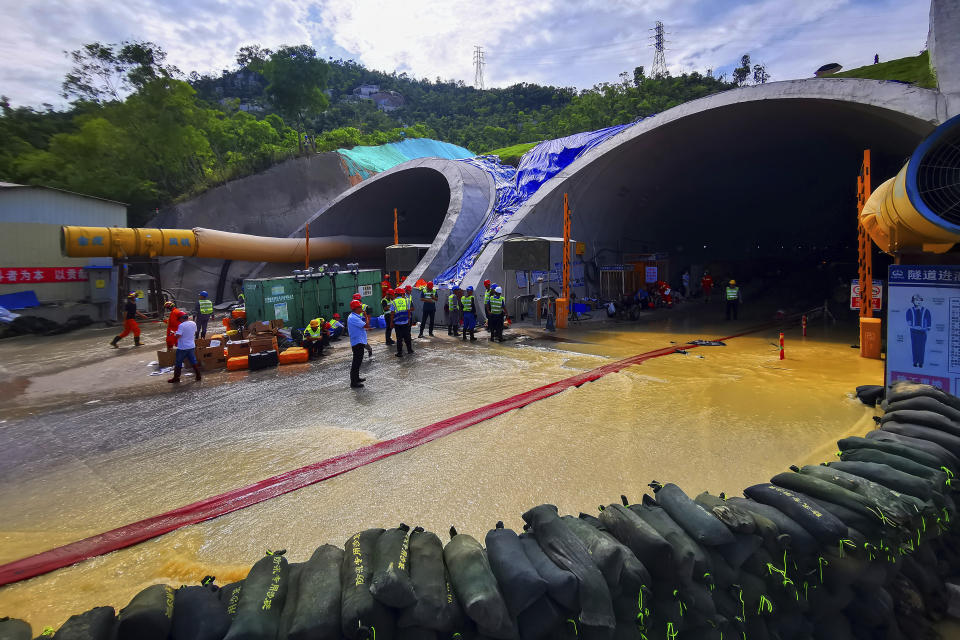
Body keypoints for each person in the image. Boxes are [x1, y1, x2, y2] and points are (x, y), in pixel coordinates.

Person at [169, 312, 202, 383]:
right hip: (191, 346)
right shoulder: (193, 323)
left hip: (183, 347)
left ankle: (176, 378)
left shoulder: (181, 325)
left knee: (178, 362)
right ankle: (198, 375)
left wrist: (174, 334)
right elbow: (194, 332)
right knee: (193, 361)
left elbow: (178, 336)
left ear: (181, 318)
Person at [907, 294, 932, 367]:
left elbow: (929, 319)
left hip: (922, 332)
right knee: (914, 347)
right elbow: (908, 320)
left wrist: (928, 327)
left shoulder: (926, 311)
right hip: (914, 331)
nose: (918, 301)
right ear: (913, 301)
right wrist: (911, 324)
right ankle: (915, 361)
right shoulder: (910, 310)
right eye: (916, 300)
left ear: (921, 301)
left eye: (919, 300)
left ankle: (921, 362)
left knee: (921, 347)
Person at [348, 300, 368, 388]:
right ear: (356, 308)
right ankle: (353, 382)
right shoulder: (353, 318)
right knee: (356, 363)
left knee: (358, 361)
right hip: (357, 342)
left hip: (359, 341)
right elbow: (366, 325)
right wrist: (366, 315)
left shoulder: (355, 316)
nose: (361, 308)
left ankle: (356, 378)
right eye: (360, 307)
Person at [391, 286, 414, 357]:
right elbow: (409, 310)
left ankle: (400, 353)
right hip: (405, 321)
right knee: (407, 336)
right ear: (402, 294)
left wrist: (391, 322)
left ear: (395, 294)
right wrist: (409, 319)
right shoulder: (406, 300)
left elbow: (392, 313)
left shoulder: (394, 302)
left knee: (399, 338)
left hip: (397, 323)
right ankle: (409, 350)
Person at [353, 293, 374, 358]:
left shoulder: (365, 306)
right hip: (358, 324)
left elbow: (368, 316)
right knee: (359, 340)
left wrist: (367, 325)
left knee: (361, 340)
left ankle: (369, 350)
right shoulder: (355, 306)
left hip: (362, 324)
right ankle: (359, 353)